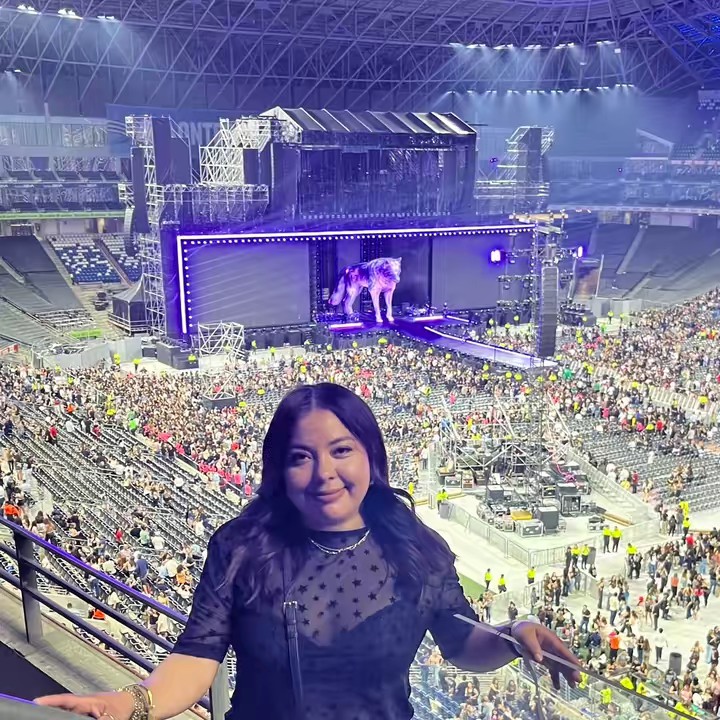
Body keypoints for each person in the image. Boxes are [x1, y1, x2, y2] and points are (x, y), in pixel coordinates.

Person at [36, 383, 579, 720]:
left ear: (371, 457)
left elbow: (461, 643)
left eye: (341, 450)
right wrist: (129, 703)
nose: (324, 474)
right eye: (301, 457)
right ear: (279, 468)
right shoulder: (239, 547)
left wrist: (513, 635)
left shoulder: (415, 546)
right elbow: (197, 660)